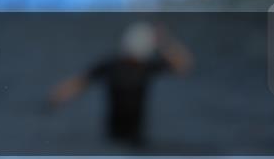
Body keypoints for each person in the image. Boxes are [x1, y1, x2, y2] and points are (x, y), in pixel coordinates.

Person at [48, 22, 193, 148]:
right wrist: (55, 99)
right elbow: (78, 83)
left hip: (133, 137)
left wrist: (163, 42)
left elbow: (183, 65)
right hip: (117, 136)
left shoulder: (143, 67)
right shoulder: (115, 65)